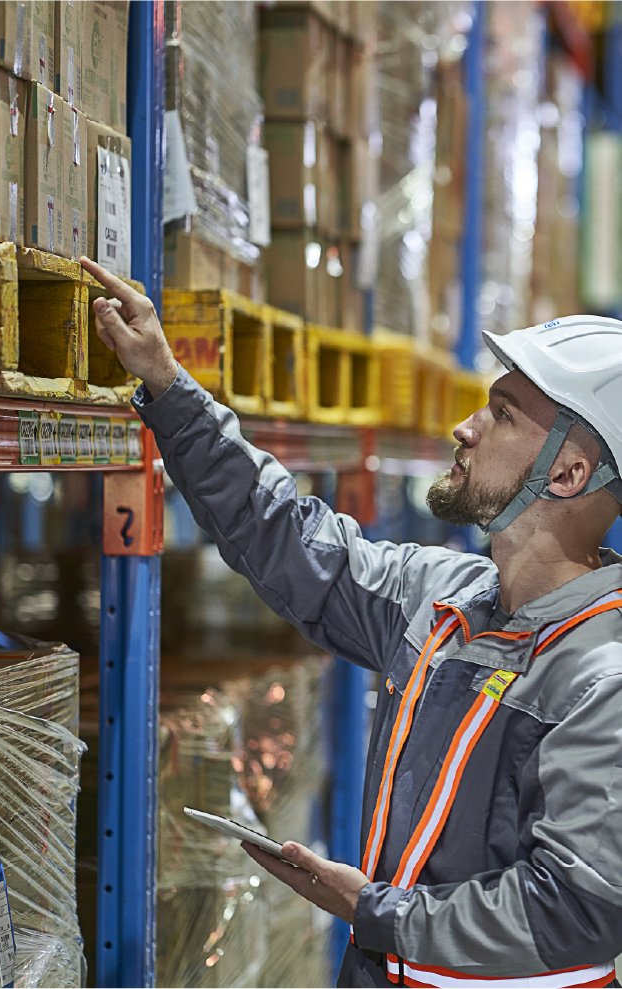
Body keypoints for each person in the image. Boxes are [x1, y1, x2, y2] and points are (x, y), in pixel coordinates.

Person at [80, 257, 622, 989]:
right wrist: (170, 387)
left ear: (567, 474)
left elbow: (574, 910)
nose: (464, 426)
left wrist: (375, 912)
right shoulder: (443, 600)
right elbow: (286, 535)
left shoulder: (601, 677)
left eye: (501, 413)